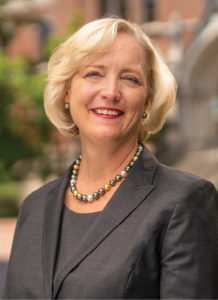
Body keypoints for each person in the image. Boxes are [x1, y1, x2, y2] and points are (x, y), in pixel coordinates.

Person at [3, 17, 218, 299]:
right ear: (67, 90)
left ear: (147, 100)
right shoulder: (35, 207)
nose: (110, 92)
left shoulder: (185, 200)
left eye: (129, 78)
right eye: (94, 74)